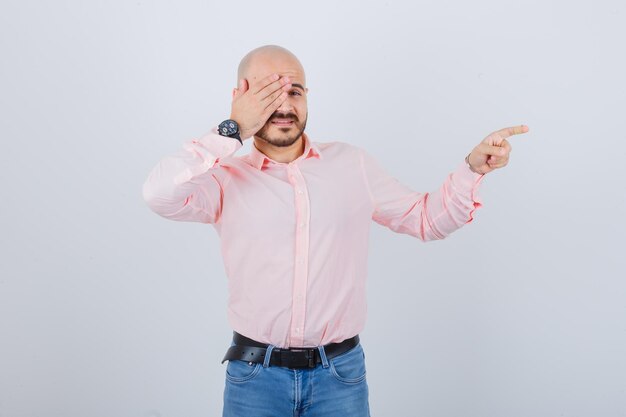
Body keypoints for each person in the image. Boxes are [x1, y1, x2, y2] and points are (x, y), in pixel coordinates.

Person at [142, 44, 529, 417]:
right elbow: (159, 194)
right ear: (240, 97)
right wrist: (231, 130)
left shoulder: (351, 165)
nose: (284, 104)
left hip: (339, 378)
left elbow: (427, 219)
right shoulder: (223, 179)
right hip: (254, 377)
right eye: (267, 92)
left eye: (293, 90)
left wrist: (472, 169)